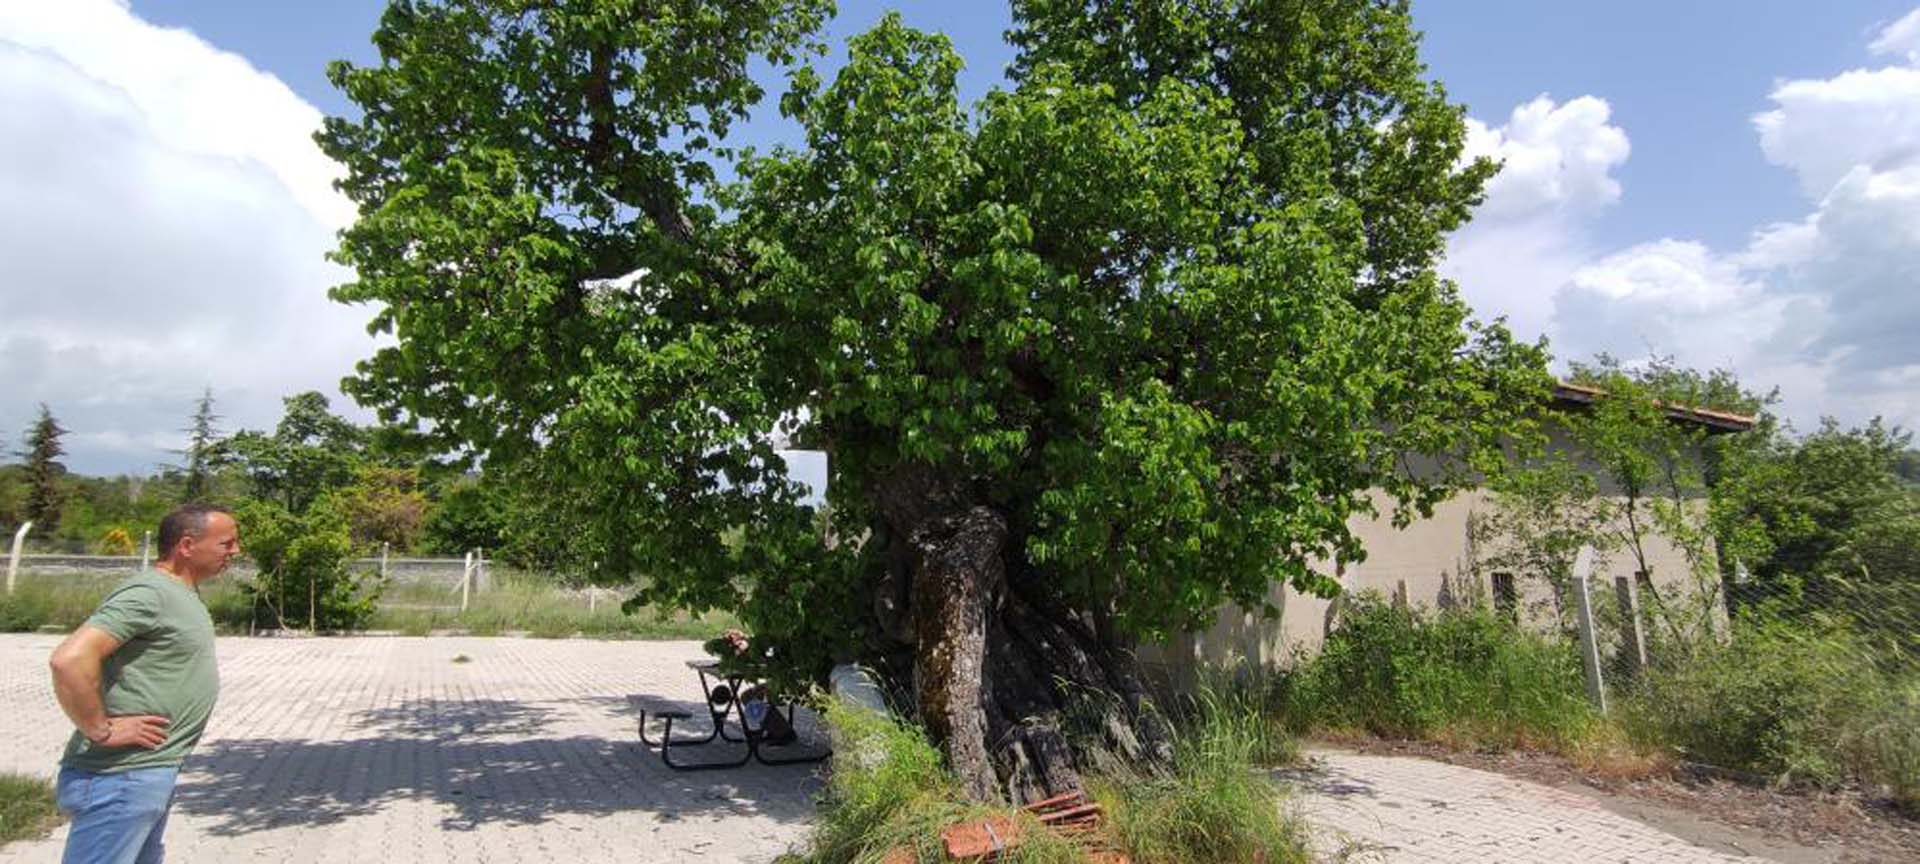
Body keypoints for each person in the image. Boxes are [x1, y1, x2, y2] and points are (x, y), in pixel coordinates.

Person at [46, 504, 240, 864]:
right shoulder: (149, 593)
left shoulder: (180, 592)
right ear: (186, 545)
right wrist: (100, 729)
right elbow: (69, 660)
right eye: (227, 543)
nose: (235, 552)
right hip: (120, 778)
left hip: (145, 772)